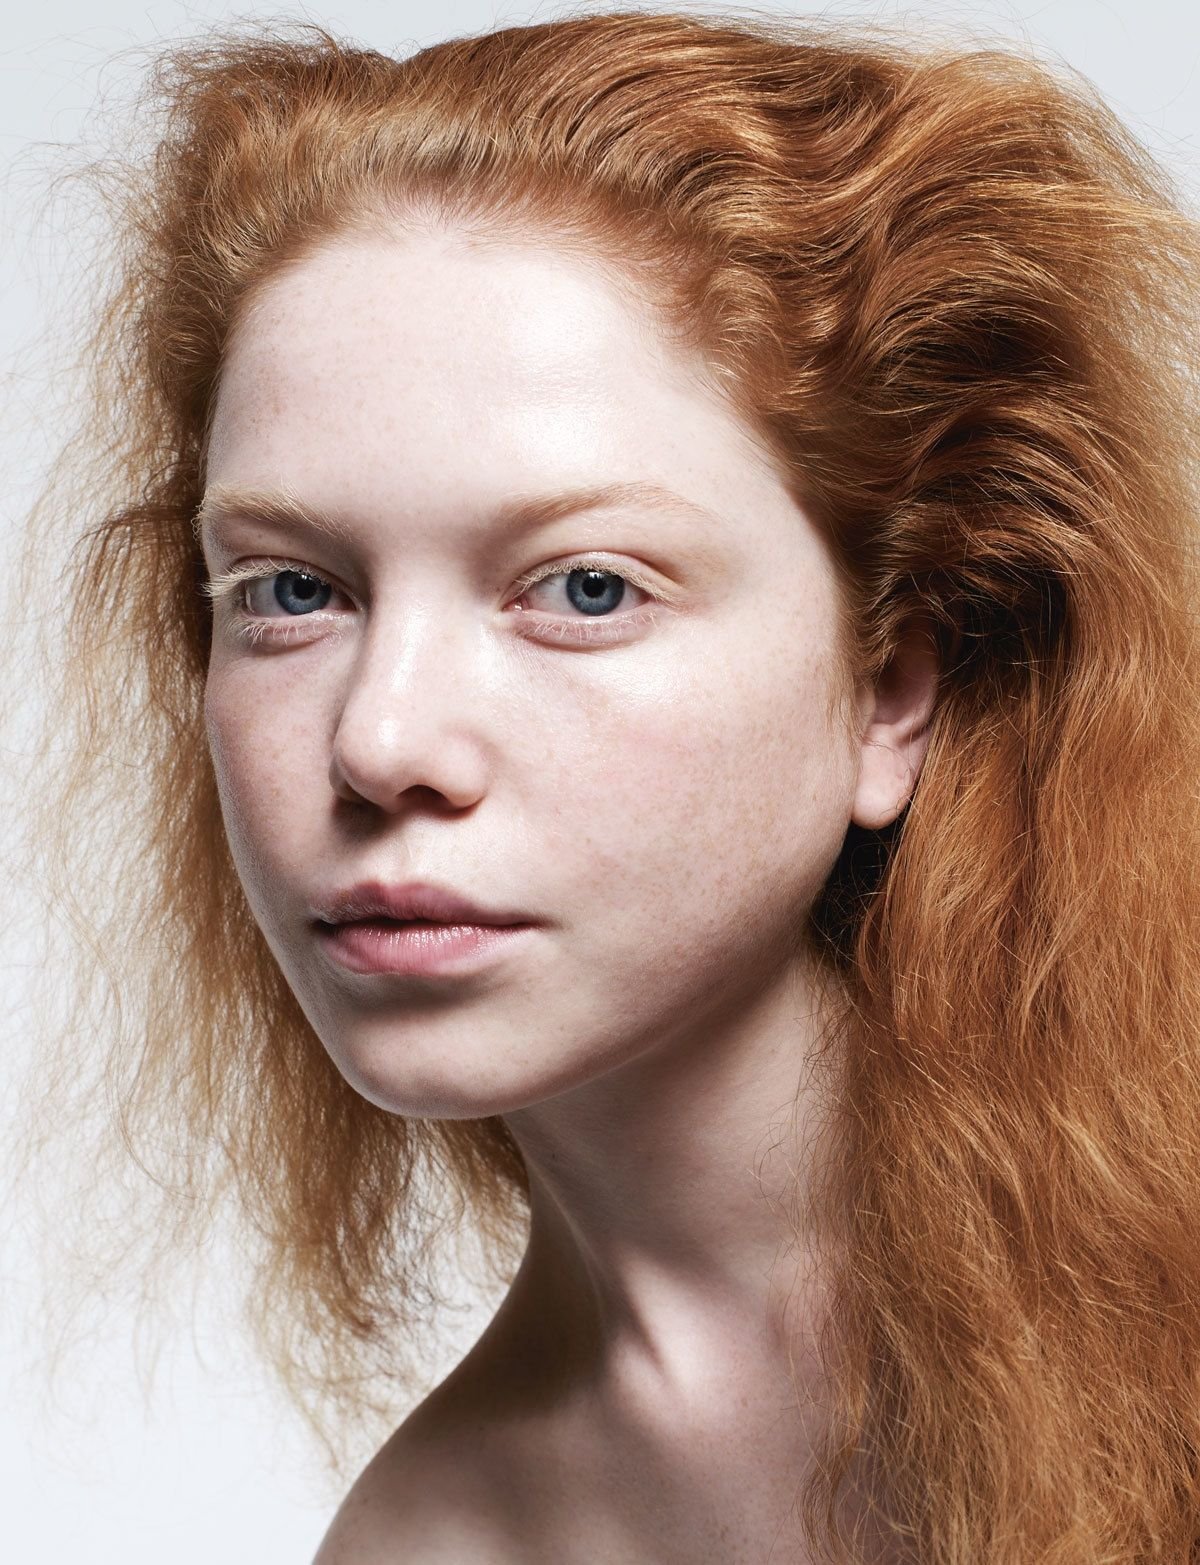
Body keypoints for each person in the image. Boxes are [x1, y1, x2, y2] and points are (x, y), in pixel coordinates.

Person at [7, 8, 1200, 1562]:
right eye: (293, 590)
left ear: (890, 686)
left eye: (585, 587)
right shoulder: (432, 1540)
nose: (381, 740)